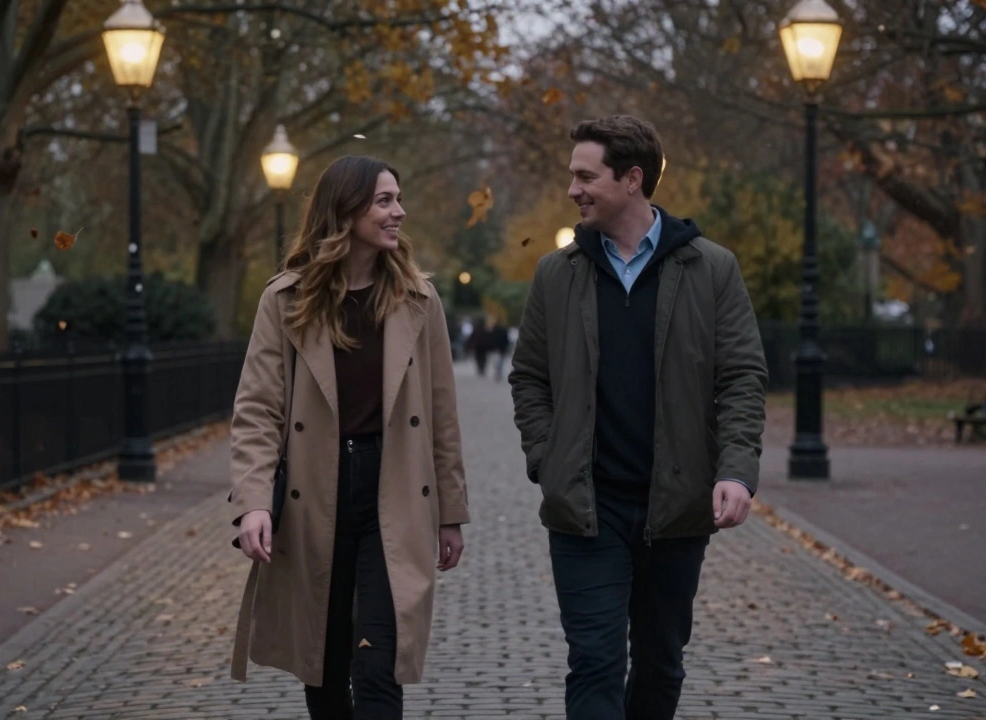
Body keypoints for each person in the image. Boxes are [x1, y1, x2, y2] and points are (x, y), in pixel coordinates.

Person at [508, 115, 767, 720]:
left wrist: (735, 470)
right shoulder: (556, 273)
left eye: (585, 175)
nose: (573, 189)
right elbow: (529, 379)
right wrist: (548, 460)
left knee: (659, 662)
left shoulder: (711, 268)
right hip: (585, 509)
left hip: (674, 508)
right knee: (595, 661)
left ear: (631, 179)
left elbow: (741, 379)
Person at [228, 155, 470, 719]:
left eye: (398, 199)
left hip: (395, 490)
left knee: (379, 660)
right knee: (325, 657)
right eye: (384, 201)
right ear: (346, 210)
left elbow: (442, 415)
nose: (398, 212)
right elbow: (258, 410)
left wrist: (450, 512)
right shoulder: (286, 299)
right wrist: (253, 504)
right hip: (316, 493)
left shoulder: (418, 299)